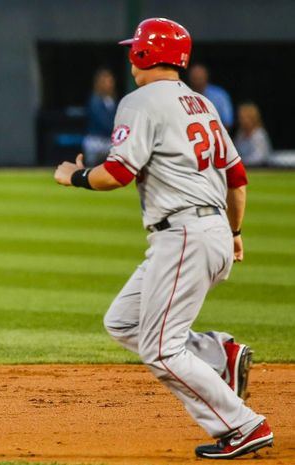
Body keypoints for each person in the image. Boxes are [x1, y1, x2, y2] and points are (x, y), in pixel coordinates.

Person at [54, 18, 273, 459]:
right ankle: (218, 354)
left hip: (184, 235)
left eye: (136, 48)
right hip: (206, 231)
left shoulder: (140, 102)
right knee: (123, 321)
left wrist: (75, 176)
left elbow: (117, 173)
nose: (131, 54)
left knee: (161, 350)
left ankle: (243, 425)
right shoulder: (202, 104)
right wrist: (234, 232)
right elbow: (237, 178)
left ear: (144, 55)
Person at [83, 68, 118, 166]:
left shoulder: (112, 100)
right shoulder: (95, 100)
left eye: (111, 81)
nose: (109, 84)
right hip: (96, 141)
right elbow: (103, 121)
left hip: (109, 141)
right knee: (92, 169)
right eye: (106, 82)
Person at [189, 63, 235, 130]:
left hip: (217, 136)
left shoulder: (219, 95)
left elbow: (227, 122)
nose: (197, 80)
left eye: (200, 77)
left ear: (206, 76)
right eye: (195, 78)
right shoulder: (185, 95)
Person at [234, 102, 272, 167]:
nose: (243, 121)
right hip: (245, 168)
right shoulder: (240, 134)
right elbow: (235, 153)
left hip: (262, 169)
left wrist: (240, 162)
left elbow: (259, 158)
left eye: (245, 118)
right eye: (241, 118)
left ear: (253, 118)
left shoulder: (259, 134)